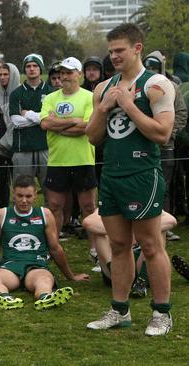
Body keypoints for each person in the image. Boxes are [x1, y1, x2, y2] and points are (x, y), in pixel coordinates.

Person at [85, 23, 176, 336]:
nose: (114, 57)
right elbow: (93, 137)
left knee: (150, 246)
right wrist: (105, 107)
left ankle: (162, 313)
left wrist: (127, 105)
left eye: (120, 50)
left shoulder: (156, 84)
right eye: (111, 51)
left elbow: (162, 134)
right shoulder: (103, 88)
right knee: (119, 245)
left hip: (142, 174)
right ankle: (119, 310)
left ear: (137, 48)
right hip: (111, 174)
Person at [0, 175, 89, 310]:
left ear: (35, 195)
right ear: (13, 195)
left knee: (45, 279)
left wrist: (71, 276)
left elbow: (55, 249)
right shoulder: (2, 215)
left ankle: (45, 297)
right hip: (11, 268)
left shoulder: (45, 214)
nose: (24, 200)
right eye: (20, 196)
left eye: (28, 196)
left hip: (36, 267)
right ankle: (5, 298)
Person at [40, 57, 98, 259]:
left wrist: (60, 124)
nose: (64, 76)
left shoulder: (90, 97)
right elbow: (45, 124)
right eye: (62, 72)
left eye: (69, 72)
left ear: (79, 74)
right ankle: (53, 250)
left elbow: (88, 127)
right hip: (57, 161)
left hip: (83, 160)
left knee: (88, 208)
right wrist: (74, 121)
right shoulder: (50, 98)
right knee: (54, 206)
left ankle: (95, 250)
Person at [143, 50, 187, 242]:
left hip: (165, 147)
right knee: (144, 185)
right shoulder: (140, 87)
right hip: (143, 146)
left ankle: (164, 225)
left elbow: (181, 113)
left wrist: (169, 133)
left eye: (154, 67)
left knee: (164, 187)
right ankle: (144, 224)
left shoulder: (171, 87)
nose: (151, 71)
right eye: (148, 67)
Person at [82, 208, 177, 297]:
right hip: (116, 259)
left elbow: (171, 220)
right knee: (100, 236)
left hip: (141, 259)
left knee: (159, 233)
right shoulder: (111, 204)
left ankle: (141, 282)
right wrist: (123, 231)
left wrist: (138, 230)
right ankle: (117, 274)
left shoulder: (146, 204)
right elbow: (88, 223)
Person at [9, 53, 53, 188]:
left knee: (51, 191)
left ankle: (49, 210)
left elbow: (53, 119)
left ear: (41, 68)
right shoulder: (16, 93)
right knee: (22, 190)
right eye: (28, 66)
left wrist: (27, 113)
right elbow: (16, 121)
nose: (32, 69)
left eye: (35, 65)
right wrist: (42, 118)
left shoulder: (51, 92)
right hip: (23, 150)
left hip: (47, 148)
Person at [0, 63, 21, 210]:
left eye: (6, 74)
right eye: (1, 75)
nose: (3, 77)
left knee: (19, 185)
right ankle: (3, 214)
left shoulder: (20, 94)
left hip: (17, 147)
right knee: (0, 186)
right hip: (0, 149)